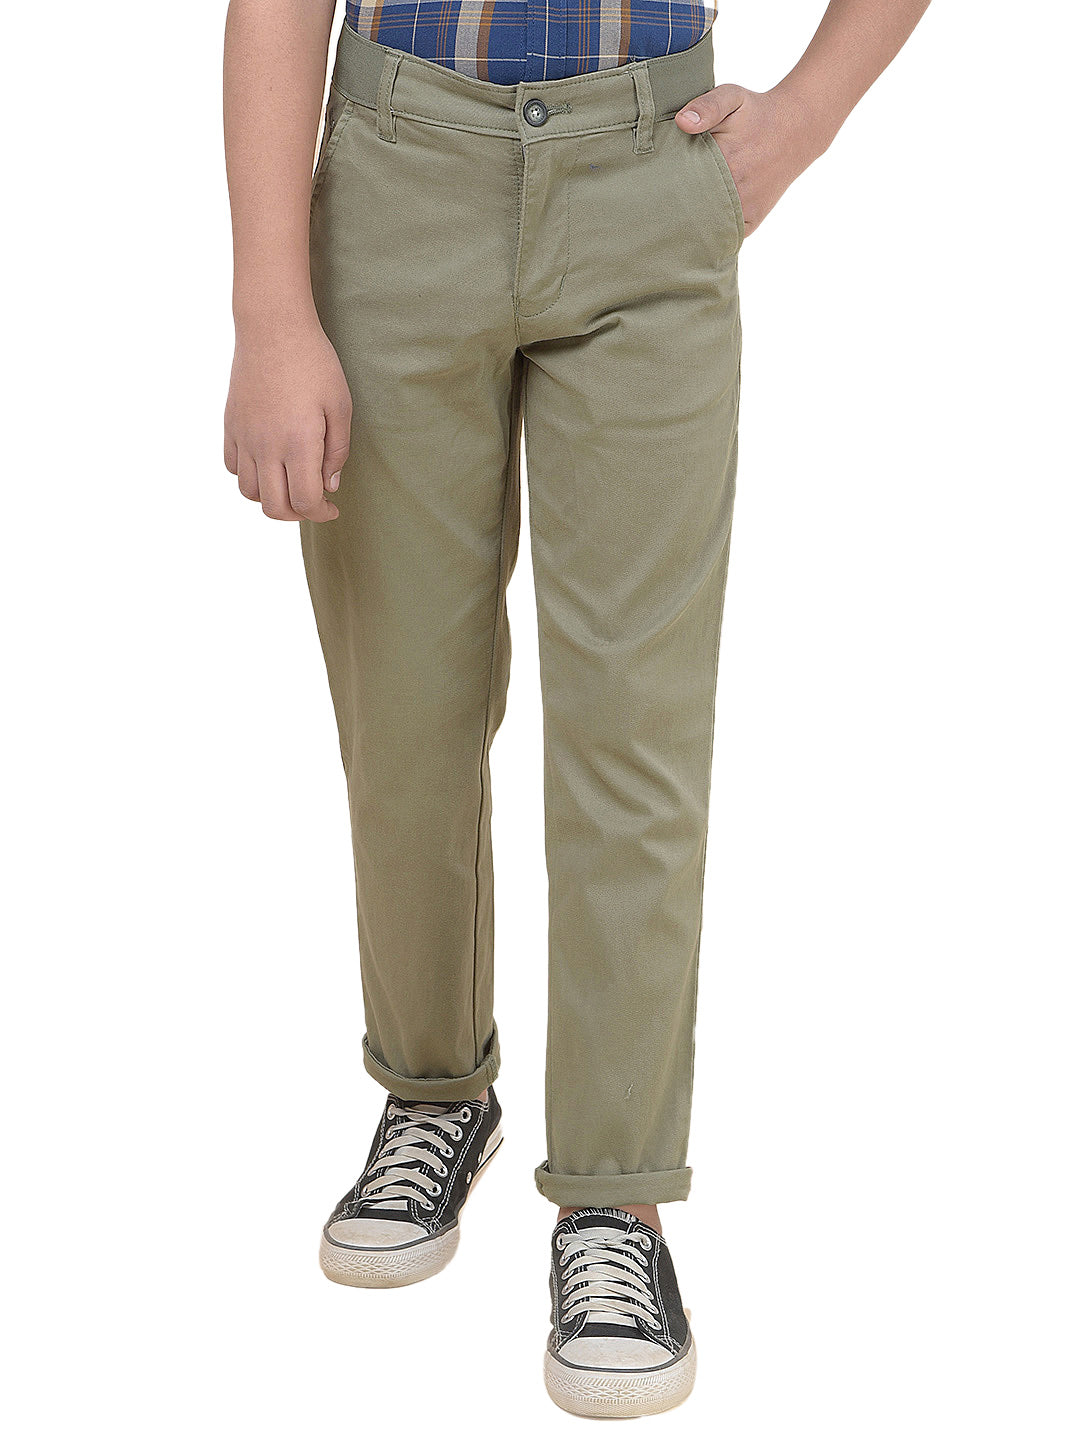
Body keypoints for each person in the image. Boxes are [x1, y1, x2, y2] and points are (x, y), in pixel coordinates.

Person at [223, 0, 930, 1416]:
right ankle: (435, 1091)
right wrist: (271, 313)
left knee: (635, 734)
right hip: (397, 184)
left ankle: (616, 1197)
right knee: (405, 714)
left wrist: (806, 115)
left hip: (648, 183)